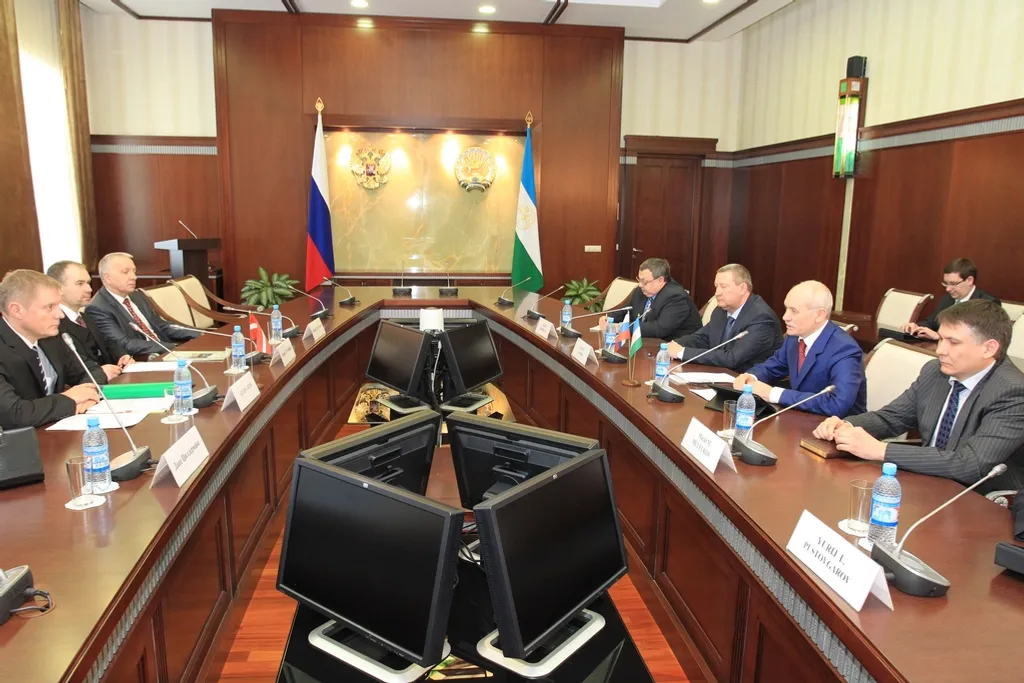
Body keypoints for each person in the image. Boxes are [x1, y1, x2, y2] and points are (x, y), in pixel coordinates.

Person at [814, 300, 1024, 495]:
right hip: (927, 482)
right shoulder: (935, 371)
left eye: (953, 342)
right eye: (940, 339)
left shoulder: (1013, 392)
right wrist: (846, 426)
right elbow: (892, 418)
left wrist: (881, 450)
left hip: (980, 499)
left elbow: (971, 464)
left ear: (989, 348)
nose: (940, 350)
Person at [733, 280, 866, 417]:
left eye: (794, 311)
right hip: (801, 418)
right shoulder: (795, 338)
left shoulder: (844, 349)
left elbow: (837, 404)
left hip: (837, 426)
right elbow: (772, 367)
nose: (785, 317)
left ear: (819, 315)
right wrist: (751, 377)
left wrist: (773, 394)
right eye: (786, 309)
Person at [0, 270, 103, 429]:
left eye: (58, 305)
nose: (60, 315)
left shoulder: (50, 337)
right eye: (49, 307)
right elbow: (14, 414)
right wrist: (69, 399)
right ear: (16, 310)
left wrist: (86, 396)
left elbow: (92, 370)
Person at [666, 264, 782, 373]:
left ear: (742, 288)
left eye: (723, 287)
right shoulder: (721, 311)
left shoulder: (761, 317)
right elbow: (702, 338)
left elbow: (732, 358)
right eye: (716, 287)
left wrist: (682, 352)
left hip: (748, 381)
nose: (717, 293)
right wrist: (671, 346)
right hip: (720, 375)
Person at [87, 252, 199, 356]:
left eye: (134, 271)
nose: (133, 277)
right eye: (125, 272)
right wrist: (172, 348)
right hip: (143, 358)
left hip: (165, 350)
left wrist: (199, 334)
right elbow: (124, 343)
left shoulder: (136, 295)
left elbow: (160, 325)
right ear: (107, 278)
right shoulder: (98, 308)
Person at [47, 260, 134, 380]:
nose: (89, 289)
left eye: (88, 283)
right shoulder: (52, 324)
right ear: (58, 288)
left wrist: (122, 356)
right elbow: (69, 365)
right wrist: (99, 372)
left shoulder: (86, 318)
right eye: (80, 283)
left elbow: (107, 343)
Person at [601, 258, 701, 341]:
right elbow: (627, 310)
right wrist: (609, 318)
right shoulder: (642, 290)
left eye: (644, 281)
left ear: (660, 280)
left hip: (675, 347)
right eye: (639, 279)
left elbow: (659, 329)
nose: (640, 285)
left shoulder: (676, 297)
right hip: (647, 342)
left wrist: (621, 327)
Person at [904, 258, 1000, 340]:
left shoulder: (988, 304)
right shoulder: (946, 299)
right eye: (946, 283)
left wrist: (940, 337)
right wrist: (916, 327)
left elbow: (978, 339)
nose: (948, 289)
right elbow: (931, 322)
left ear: (969, 280)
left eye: (953, 284)